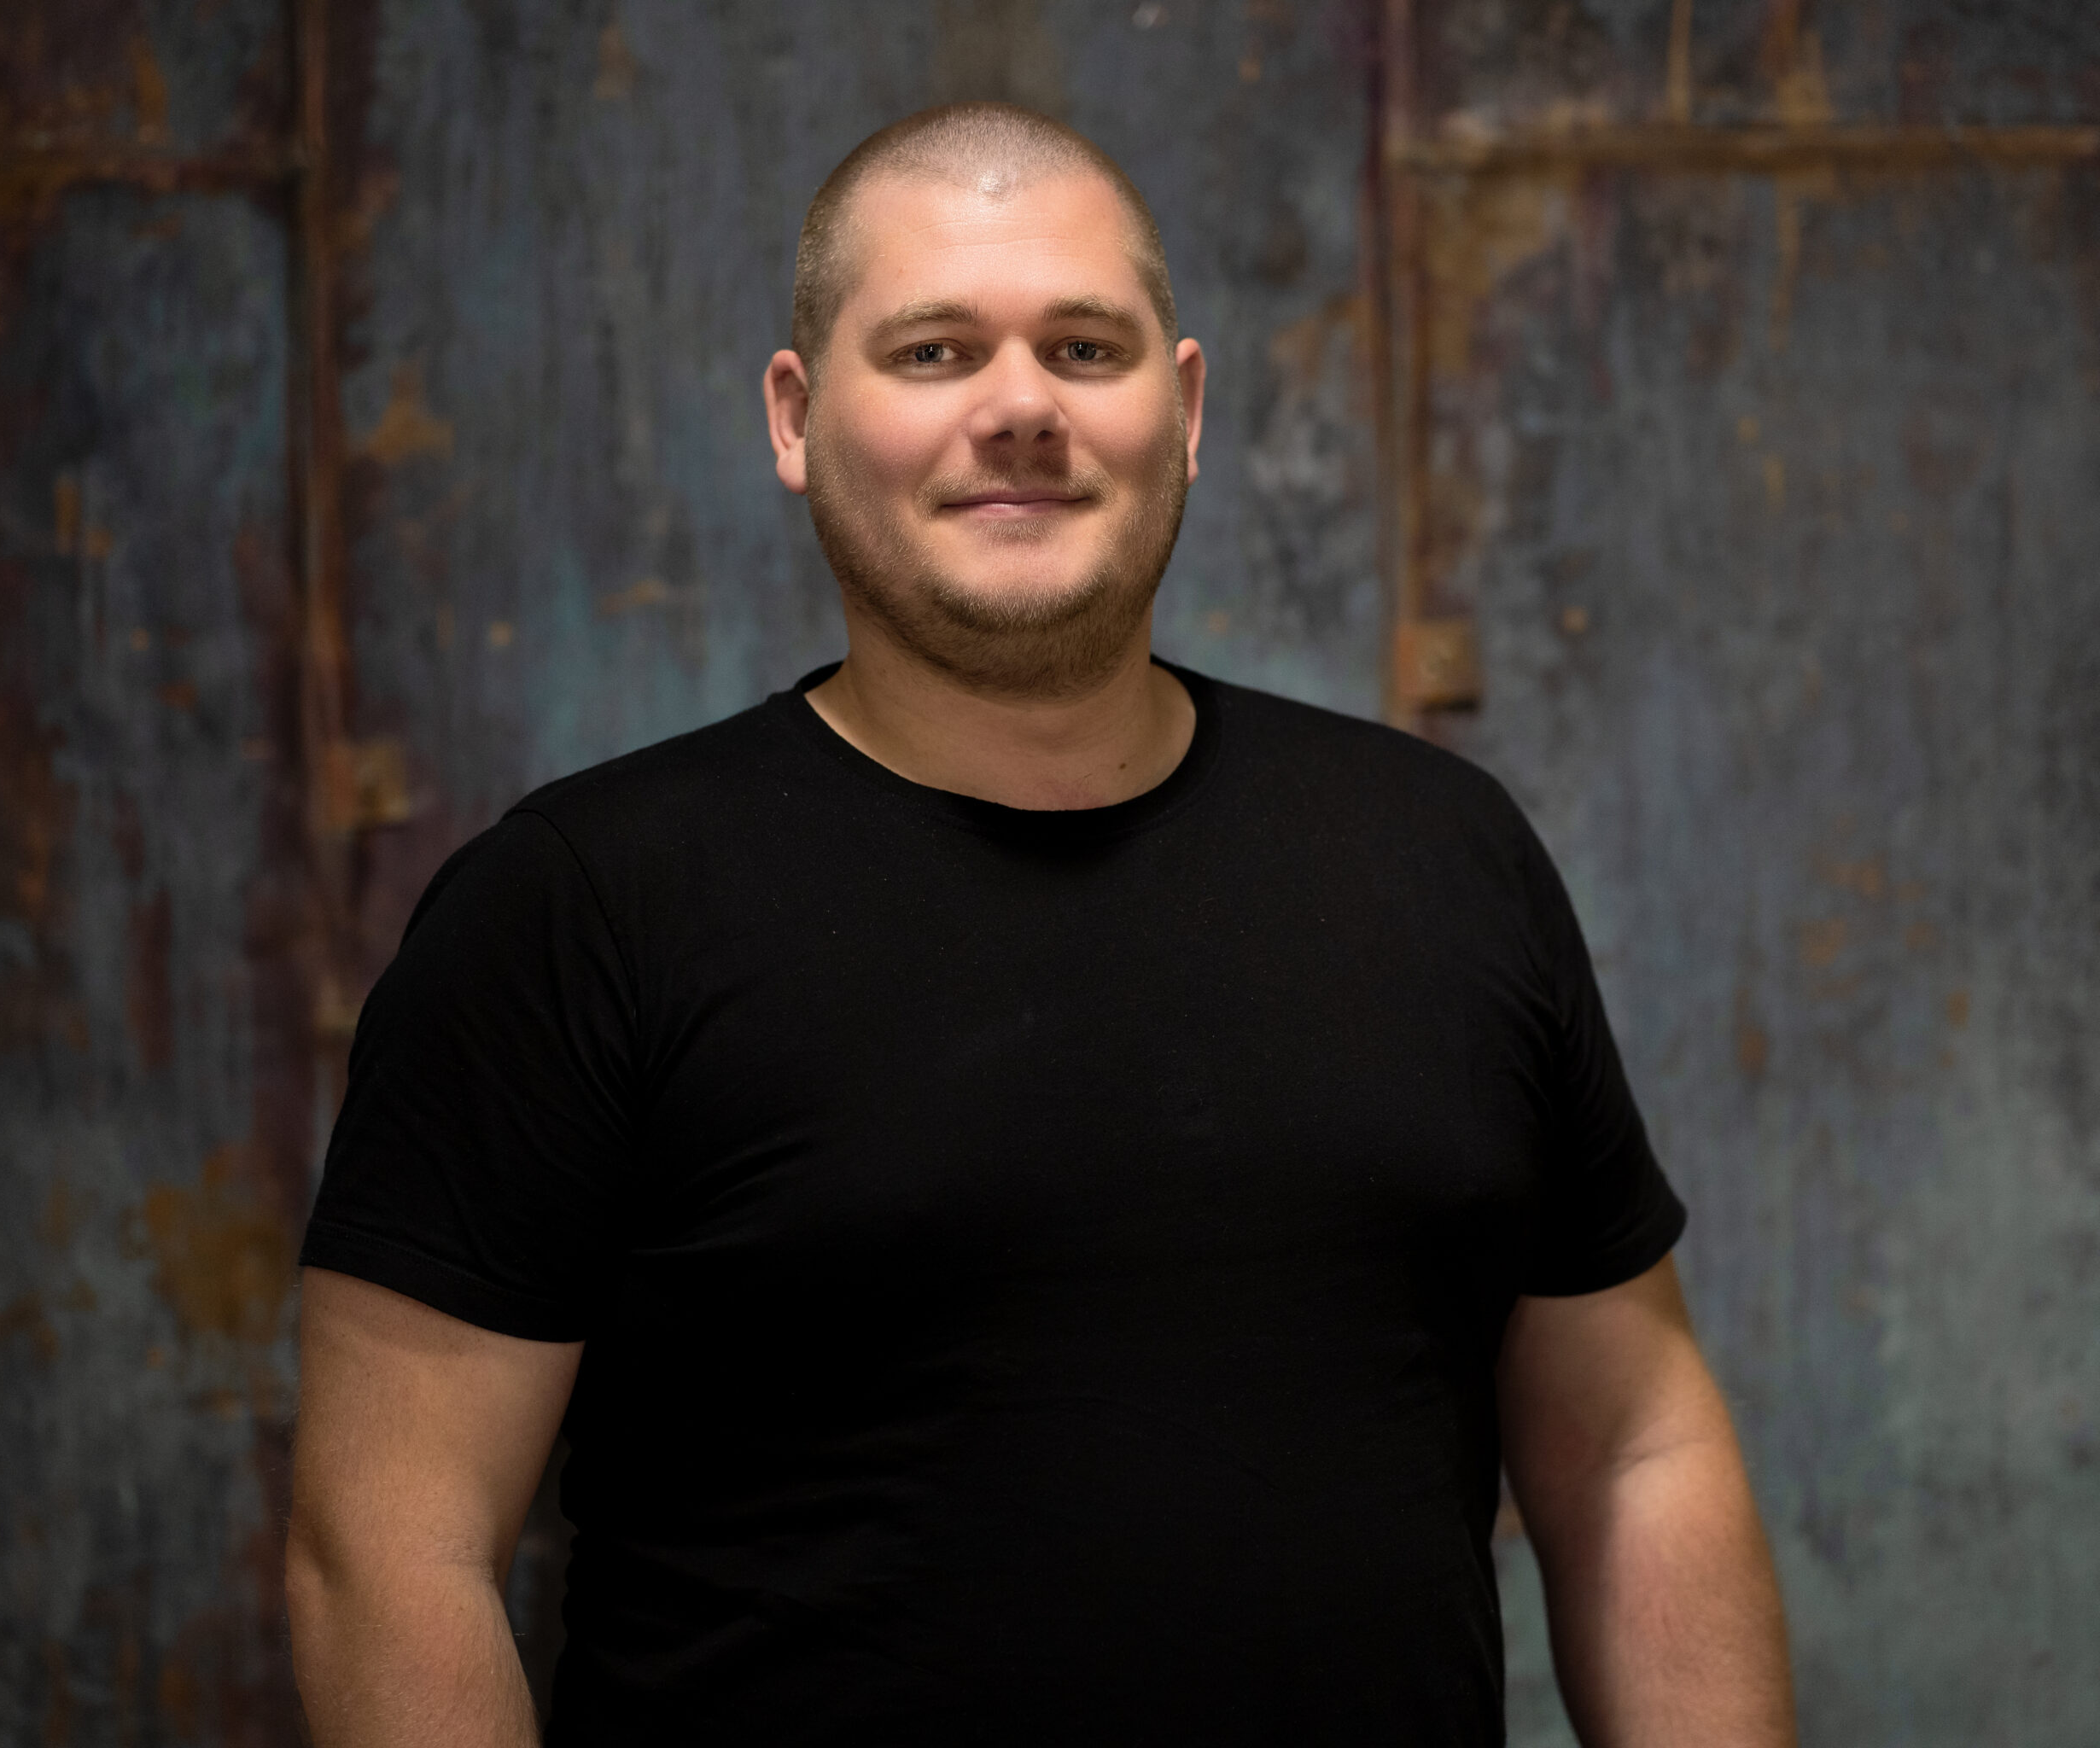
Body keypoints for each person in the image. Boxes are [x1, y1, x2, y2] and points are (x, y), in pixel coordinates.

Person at [285, 102, 1797, 1747]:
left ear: (1186, 409)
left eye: (1086, 348)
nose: (1020, 408)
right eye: (933, 352)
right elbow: (388, 1557)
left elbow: (1636, 1449)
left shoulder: (1440, 855)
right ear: (796, 416)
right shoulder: (575, 909)